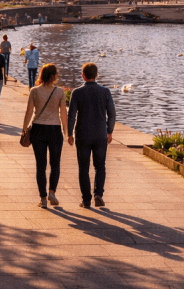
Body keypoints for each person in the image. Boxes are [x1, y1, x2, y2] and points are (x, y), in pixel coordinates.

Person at [67, 63, 116, 209]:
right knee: (100, 166)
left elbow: (71, 116)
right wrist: (110, 131)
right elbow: (112, 114)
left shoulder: (77, 92)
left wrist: (70, 133)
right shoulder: (105, 91)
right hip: (100, 134)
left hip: (83, 135)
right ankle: (98, 194)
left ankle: (86, 200)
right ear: (96, 75)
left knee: (83, 168)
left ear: (83, 75)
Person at [22, 63, 68, 209]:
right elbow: (63, 113)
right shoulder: (60, 92)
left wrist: (24, 129)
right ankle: (52, 192)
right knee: (55, 164)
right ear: (54, 76)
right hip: (54, 129)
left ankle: (43, 198)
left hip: (38, 129)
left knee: (40, 165)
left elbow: (29, 112)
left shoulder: (34, 91)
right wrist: (66, 131)